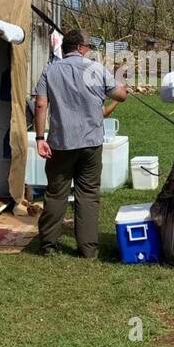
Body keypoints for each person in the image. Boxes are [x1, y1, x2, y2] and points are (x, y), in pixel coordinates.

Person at [34, 29, 128, 258]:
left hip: (61, 142)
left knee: (56, 194)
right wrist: (119, 79)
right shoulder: (95, 69)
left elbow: (40, 105)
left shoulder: (50, 70)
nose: (89, 50)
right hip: (90, 143)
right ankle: (88, 249)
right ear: (80, 47)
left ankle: (48, 246)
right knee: (87, 194)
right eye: (88, 46)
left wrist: (39, 137)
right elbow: (120, 95)